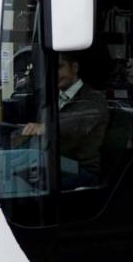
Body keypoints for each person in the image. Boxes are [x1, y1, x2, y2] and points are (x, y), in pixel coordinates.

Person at [22, 52, 109, 188]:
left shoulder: (94, 99)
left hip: (81, 171)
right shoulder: (50, 98)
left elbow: (77, 123)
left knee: (33, 189)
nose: (54, 74)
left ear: (74, 67)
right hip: (52, 164)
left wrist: (45, 127)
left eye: (59, 67)